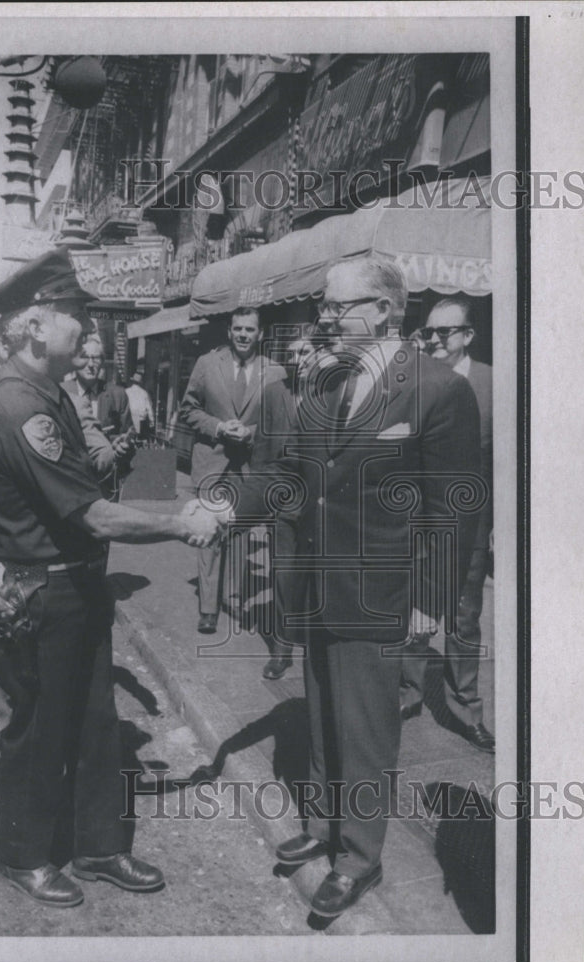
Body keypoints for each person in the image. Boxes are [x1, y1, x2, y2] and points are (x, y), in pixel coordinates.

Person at [209, 258, 481, 918]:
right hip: (318, 582)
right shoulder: (327, 383)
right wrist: (221, 509)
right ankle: (326, 826)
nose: (325, 318)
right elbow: (288, 475)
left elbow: (456, 508)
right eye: (324, 307)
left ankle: (360, 857)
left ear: (384, 310)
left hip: (381, 592)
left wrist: (430, 600)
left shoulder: (439, 389)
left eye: (338, 307)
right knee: (324, 716)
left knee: (365, 729)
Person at [0, 248, 219, 908]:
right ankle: (22, 856)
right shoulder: (20, 408)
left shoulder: (51, 394)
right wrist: (179, 524)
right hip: (38, 593)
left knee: (93, 724)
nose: (85, 328)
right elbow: (93, 514)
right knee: (38, 731)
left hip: (74, 587)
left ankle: (99, 848)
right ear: (34, 327)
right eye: (73, 315)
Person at [399, 295, 495, 753]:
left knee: (464, 618)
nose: (435, 339)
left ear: (468, 335)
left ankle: (466, 709)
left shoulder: (493, 383)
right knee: (415, 609)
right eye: (429, 331)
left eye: (446, 331)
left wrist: (500, 524)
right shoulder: (414, 380)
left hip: (471, 525)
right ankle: (408, 694)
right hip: (419, 521)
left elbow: (508, 461)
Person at [179, 307, 285, 634]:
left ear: (260, 334)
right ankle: (208, 608)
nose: (243, 335)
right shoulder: (207, 364)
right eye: (238, 328)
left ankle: (234, 597)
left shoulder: (275, 372)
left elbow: (277, 423)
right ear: (229, 331)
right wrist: (218, 427)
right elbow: (188, 410)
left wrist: (250, 433)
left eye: (249, 329)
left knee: (239, 534)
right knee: (209, 533)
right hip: (211, 461)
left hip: (247, 466)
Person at [247, 335, 322, 679]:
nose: (297, 359)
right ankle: (281, 650)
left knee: (319, 577)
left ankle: (318, 650)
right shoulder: (274, 393)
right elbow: (261, 450)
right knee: (282, 576)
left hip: (320, 504)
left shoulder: (335, 393)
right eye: (292, 353)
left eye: (305, 351)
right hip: (284, 502)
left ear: (319, 353)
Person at [62, 334, 132, 441]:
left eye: (96, 358)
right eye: (85, 357)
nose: (90, 364)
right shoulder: (62, 393)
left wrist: (118, 442)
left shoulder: (118, 395)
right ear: (75, 362)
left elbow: (127, 434)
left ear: (102, 362)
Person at [125, 372, 156, 441]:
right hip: (142, 420)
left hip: (130, 419)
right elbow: (149, 408)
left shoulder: (127, 391)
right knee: (141, 440)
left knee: (129, 440)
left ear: (132, 381)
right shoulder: (144, 393)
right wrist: (152, 421)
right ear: (141, 382)